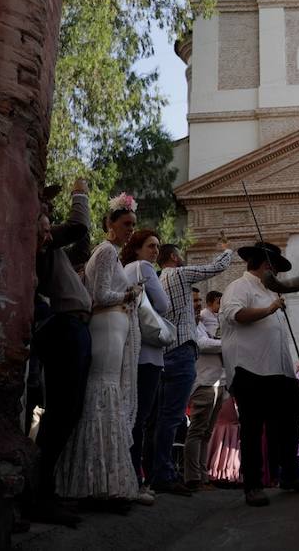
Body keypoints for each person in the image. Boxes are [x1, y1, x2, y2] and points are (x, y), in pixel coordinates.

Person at [55, 193, 143, 509]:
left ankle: (101, 480)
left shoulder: (112, 254)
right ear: (110, 224)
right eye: (126, 224)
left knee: (106, 393)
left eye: (133, 224)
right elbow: (100, 294)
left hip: (113, 330)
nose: (131, 229)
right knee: (102, 391)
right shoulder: (106, 252)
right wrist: (130, 293)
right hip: (106, 329)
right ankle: (95, 483)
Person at [219, 240, 299, 507]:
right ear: (266, 266)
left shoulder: (268, 291)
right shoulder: (239, 287)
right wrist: (268, 310)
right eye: (276, 269)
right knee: (252, 428)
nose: (279, 276)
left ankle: (290, 473)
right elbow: (235, 315)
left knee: (286, 424)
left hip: (278, 371)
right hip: (249, 368)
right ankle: (253, 484)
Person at [25, 179, 93, 526]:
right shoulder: (38, 238)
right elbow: (79, 225)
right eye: (45, 207)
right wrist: (80, 192)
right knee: (62, 410)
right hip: (64, 327)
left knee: (69, 410)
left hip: (75, 328)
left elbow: (81, 248)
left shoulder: (53, 250)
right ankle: (39, 494)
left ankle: (45, 490)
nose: (48, 213)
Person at [151, 236, 235, 496]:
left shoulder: (158, 280)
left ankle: (162, 471)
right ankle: (167, 474)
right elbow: (214, 268)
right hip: (182, 352)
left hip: (166, 352)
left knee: (165, 418)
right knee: (175, 419)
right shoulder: (177, 274)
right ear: (174, 258)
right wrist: (226, 251)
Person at [120, 229, 170, 502]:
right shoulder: (144, 268)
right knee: (141, 417)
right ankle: (137, 479)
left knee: (129, 415)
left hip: (127, 350)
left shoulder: (125, 268)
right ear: (137, 248)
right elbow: (162, 305)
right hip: (148, 353)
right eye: (151, 246)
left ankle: (129, 475)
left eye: (158, 247)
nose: (155, 251)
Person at [184, 288, 225, 491]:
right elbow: (202, 344)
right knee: (197, 431)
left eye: (199, 299)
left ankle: (203, 475)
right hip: (203, 383)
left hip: (216, 382)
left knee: (206, 432)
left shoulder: (201, 322)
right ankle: (193, 477)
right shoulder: (189, 324)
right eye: (194, 300)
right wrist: (227, 343)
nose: (198, 303)